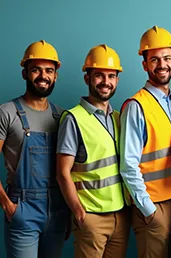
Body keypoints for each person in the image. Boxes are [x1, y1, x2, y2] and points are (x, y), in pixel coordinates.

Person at [56, 44, 130, 258]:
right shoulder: (73, 118)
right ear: (87, 78)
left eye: (111, 76)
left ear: (117, 80)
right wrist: (79, 213)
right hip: (91, 218)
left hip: (120, 216)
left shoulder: (118, 117)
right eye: (99, 75)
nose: (106, 82)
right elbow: (62, 173)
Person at [120, 25, 171, 258]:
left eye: (167, 58)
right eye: (155, 60)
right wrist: (149, 211)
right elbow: (128, 165)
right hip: (154, 206)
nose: (162, 65)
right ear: (145, 65)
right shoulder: (136, 106)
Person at [0, 40, 69, 257]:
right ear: (25, 73)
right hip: (22, 208)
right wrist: (7, 206)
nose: (43, 76)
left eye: (49, 70)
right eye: (35, 70)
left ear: (56, 75)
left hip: (58, 209)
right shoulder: (7, 112)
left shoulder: (62, 116)